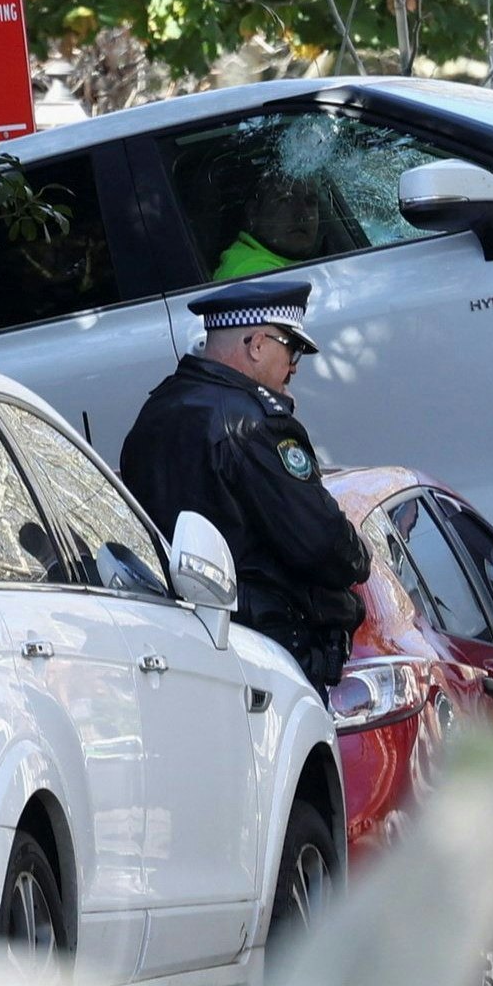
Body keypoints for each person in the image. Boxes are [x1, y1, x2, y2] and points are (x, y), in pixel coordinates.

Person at [119, 278, 369, 690]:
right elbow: (321, 543)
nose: (294, 367)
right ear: (256, 344)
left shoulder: (156, 412)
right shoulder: (254, 423)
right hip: (263, 655)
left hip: (175, 647)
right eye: (292, 350)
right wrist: (362, 553)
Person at [210, 175, 326, 280]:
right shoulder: (253, 273)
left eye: (310, 202)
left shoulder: (280, 265)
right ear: (253, 212)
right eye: (286, 200)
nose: (303, 215)